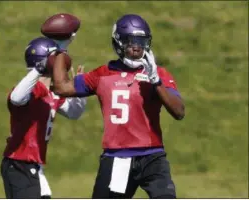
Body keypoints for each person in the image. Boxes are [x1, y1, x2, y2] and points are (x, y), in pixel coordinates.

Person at [51, 14, 185, 198]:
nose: (137, 47)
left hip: (152, 156)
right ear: (118, 43)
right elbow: (61, 87)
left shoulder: (158, 73)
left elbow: (179, 112)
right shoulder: (103, 74)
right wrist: (61, 48)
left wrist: (156, 82)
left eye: (141, 41)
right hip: (117, 156)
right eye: (131, 42)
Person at [0, 36, 86, 199]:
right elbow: (16, 98)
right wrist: (39, 68)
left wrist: (79, 90)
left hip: (34, 166)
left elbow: (75, 113)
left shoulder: (50, 93)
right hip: (19, 165)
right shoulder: (31, 91)